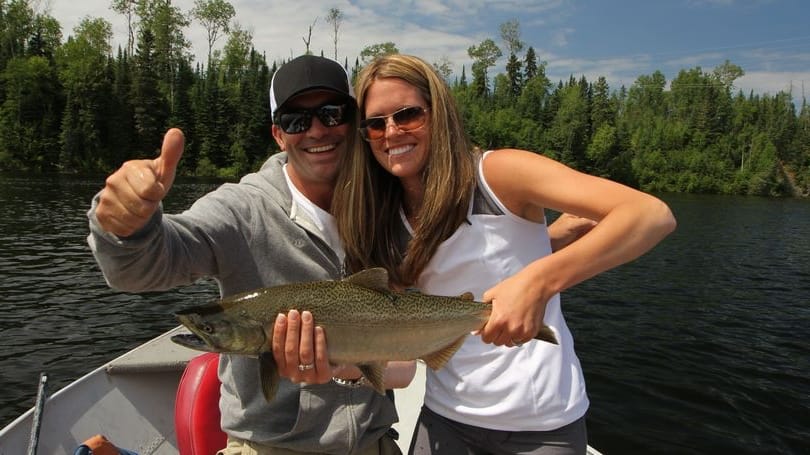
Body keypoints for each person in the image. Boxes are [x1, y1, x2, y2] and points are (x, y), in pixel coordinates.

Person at [332, 54, 677, 454]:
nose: (391, 132)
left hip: (540, 427)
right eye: (376, 124)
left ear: (438, 113)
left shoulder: (498, 174)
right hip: (443, 417)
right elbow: (405, 363)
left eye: (408, 115)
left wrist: (540, 280)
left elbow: (651, 215)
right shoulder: (387, 218)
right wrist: (343, 365)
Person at [87, 55, 414, 455]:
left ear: (354, 121)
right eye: (296, 119)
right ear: (278, 134)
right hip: (270, 448)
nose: (316, 129)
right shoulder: (240, 211)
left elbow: (404, 362)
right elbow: (141, 270)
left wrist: (347, 370)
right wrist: (125, 228)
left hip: (375, 443)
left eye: (332, 113)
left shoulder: (387, 207)